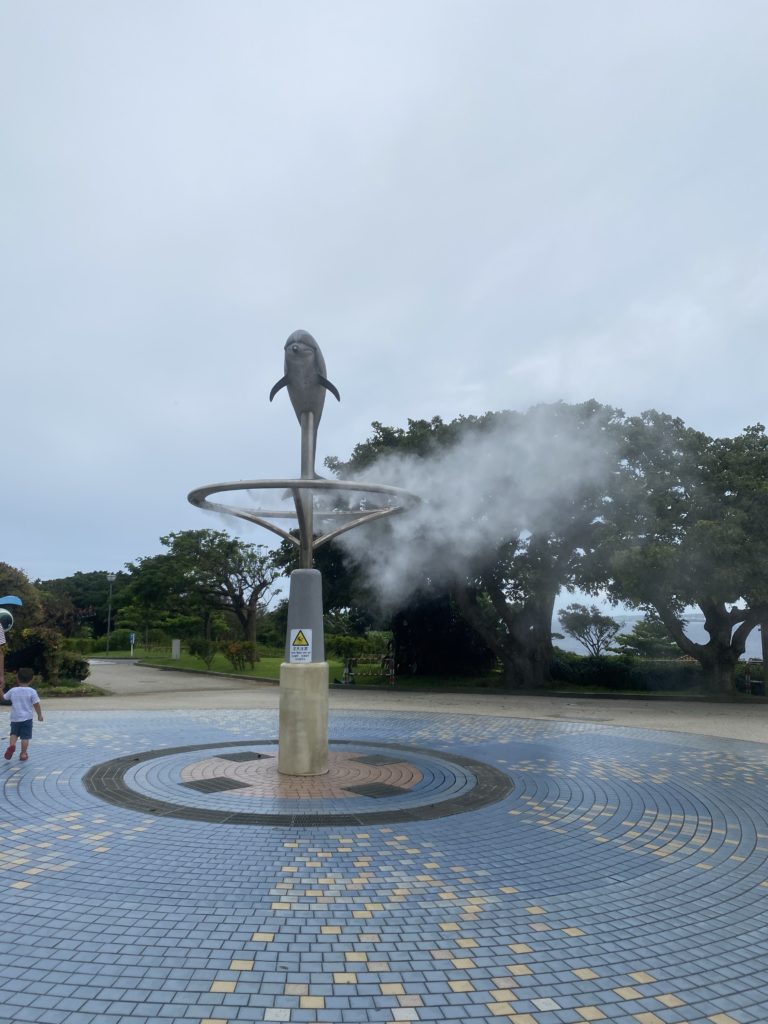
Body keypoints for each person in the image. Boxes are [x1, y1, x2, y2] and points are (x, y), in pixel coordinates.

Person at [1, 667, 43, 762]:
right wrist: (39, 715)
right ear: (32, 679)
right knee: (25, 737)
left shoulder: (13, 690)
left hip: (15, 718)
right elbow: (36, 704)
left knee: (14, 733)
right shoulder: (32, 691)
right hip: (27, 719)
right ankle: (23, 754)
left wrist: (0, 688)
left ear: (17, 678)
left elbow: (4, 698)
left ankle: (12, 745)